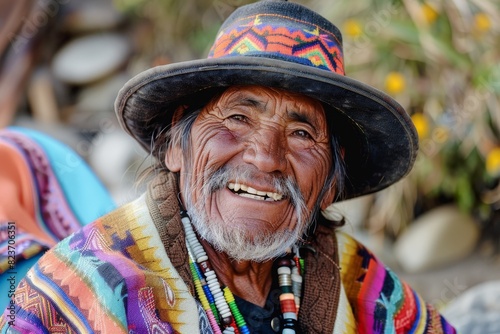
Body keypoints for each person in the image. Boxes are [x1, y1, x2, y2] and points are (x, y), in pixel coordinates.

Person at [0, 1, 456, 333]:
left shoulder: (360, 283)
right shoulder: (84, 289)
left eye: (301, 134)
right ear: (177, 148)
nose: (266, 157)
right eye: (238, 118)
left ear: (330, 184)